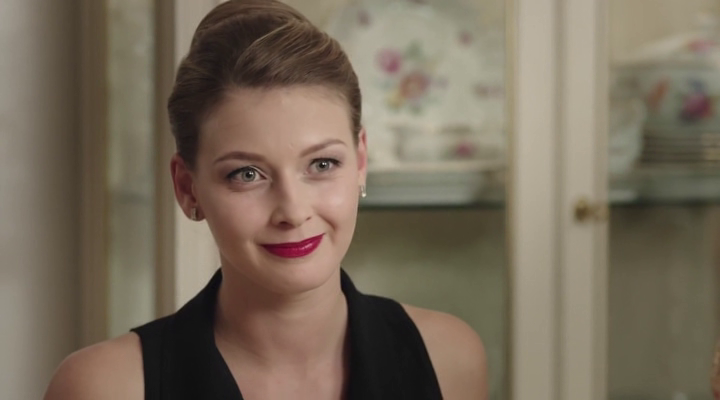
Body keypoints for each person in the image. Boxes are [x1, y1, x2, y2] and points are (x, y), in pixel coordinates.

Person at [44, 1, 487, 398]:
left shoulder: (448, 358)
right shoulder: (105, 387)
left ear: (360, 162)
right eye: (247, 174)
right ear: (187, 188)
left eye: (322, 164)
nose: (293, 211)